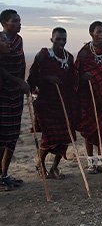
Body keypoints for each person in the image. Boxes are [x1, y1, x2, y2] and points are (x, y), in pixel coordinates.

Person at [27, 28, 77, 179]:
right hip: (46, 102)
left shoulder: (69, 57)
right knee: (49, 137)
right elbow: (32, 79)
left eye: (64, 39)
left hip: (64, 102)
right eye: (58, 39)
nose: (61, 42)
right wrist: (48, 78)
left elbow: (71, 79)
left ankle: (55, 167)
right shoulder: (43, 55)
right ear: (52, 39)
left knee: (67, 136)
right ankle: (40, 164)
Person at [75, 21, 102, 174]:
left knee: (101, 131)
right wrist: (83, 77)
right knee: (90, 130)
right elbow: (75, 74)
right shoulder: (84, 52)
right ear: (91, 33)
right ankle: (91, 163)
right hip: (88, 97)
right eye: (99, 32)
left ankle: (101, 162)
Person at [0, 9, 30, 191]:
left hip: (16, 94)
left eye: (19, 20)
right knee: (2, 136)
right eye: (15, 21)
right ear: (4, 23)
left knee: (12, 135)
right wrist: (18, 81)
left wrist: (23, 84)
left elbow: (20, 64)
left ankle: (4, 174)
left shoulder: (19, 40)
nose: (19, 23)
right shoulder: (0, 40)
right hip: (3, 92)